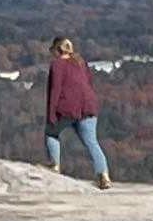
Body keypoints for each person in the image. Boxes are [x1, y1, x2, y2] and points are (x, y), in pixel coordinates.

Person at [43, 35, 110, 185]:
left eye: (53, 50)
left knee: (51, 133)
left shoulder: (57, 65)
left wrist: (51, 114)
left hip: (67, 108)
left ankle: (54, 165)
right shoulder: (81, 62)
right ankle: (104, 176)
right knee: (92, 142)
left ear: (58, 50)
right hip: (88, 107)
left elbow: (55, 90)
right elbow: (89, 83)